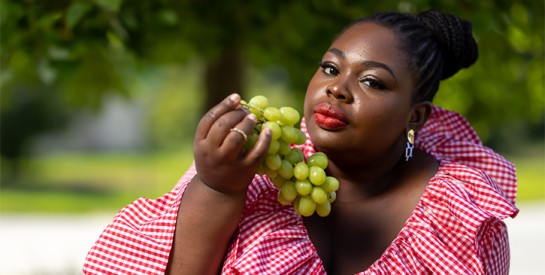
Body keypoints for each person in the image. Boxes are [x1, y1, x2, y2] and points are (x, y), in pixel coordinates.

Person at [83, 8, 518, 275]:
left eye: (371, 81)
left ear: (415, 116)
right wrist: (216, 190)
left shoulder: (458, 219)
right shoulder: (252, 174)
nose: (338, 89)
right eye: (330, 69)